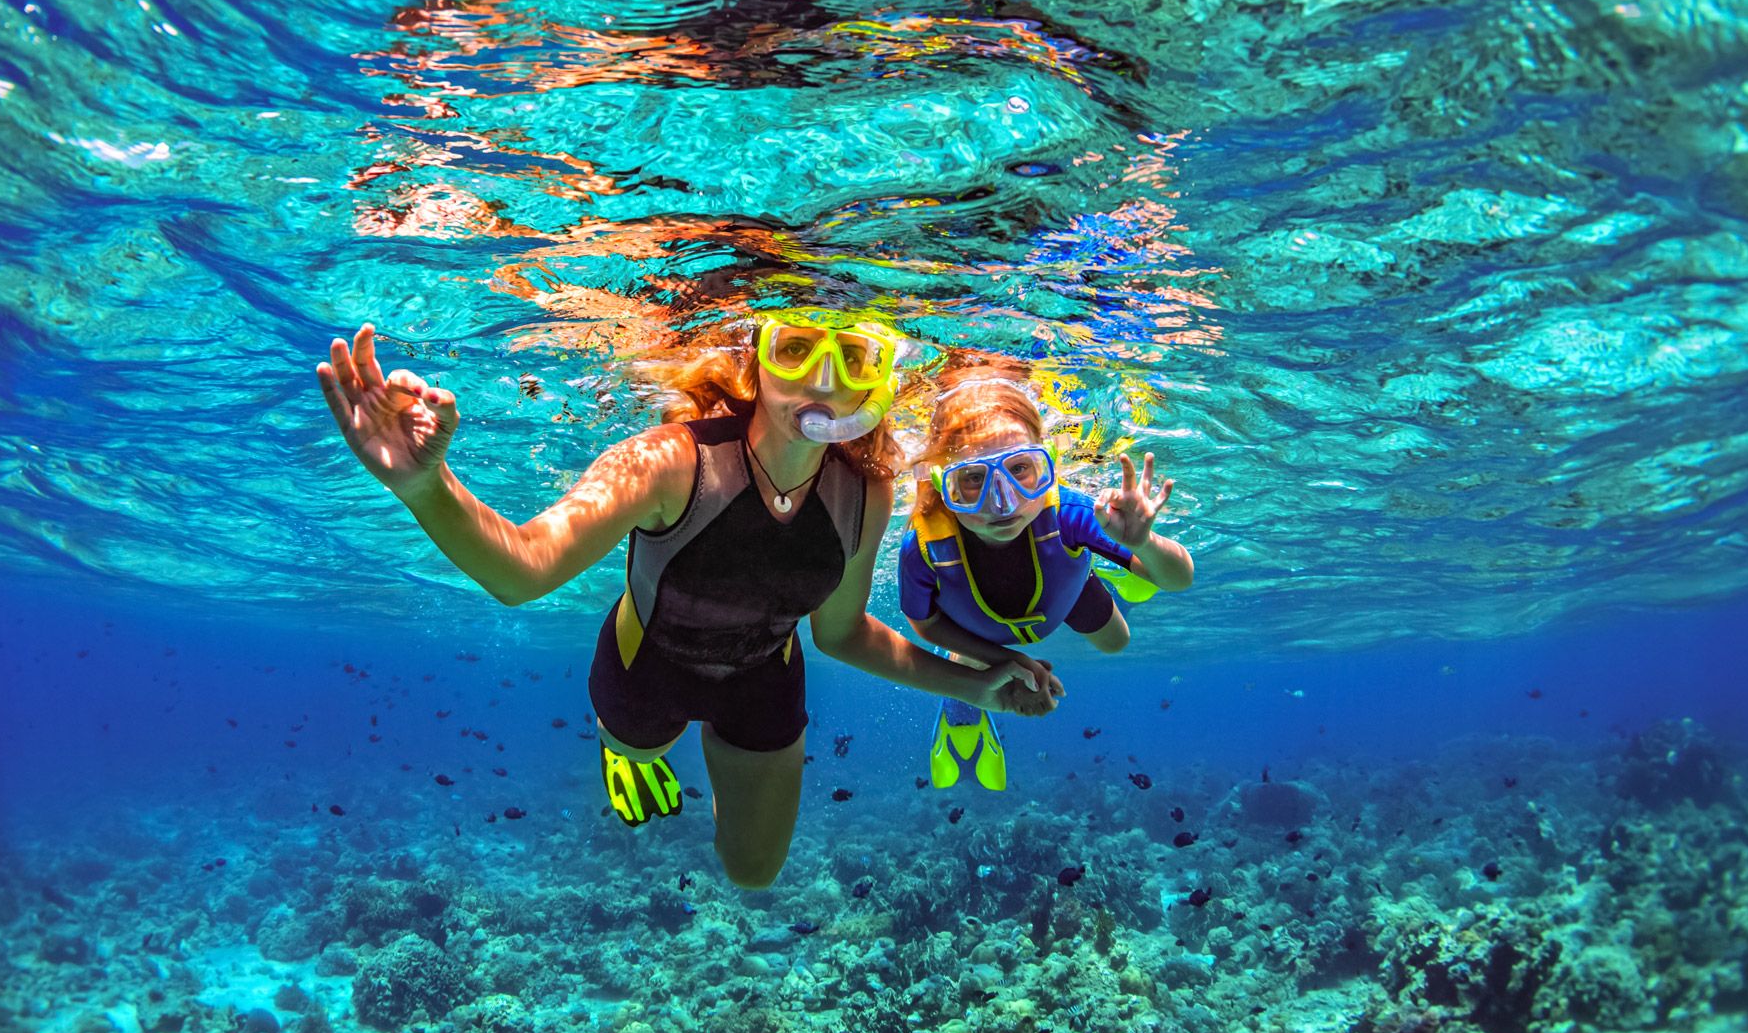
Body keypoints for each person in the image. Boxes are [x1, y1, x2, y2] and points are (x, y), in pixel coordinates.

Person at [316, 315, 1052, 888]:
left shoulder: (869, 491)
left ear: (876, 383)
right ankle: (625, 750)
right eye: (796, 351)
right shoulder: (672, 460)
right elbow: (524, 570)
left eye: (854, 359)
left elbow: (841, 634)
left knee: (753, 872)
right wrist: (424, 486)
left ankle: (679, 764)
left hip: (766, 675)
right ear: (757, 361)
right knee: (640, 749)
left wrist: (976, 684)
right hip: (647, 666)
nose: (823, 381)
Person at [899, 370, 1195, 792]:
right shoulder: (923, 548)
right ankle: (961, 710)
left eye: (1020, 470)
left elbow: (1180, 579)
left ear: (1045, 465)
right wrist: (1004, 661)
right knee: (963, 660)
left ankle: (1118, 561)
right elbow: (924, 625)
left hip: (1065, 590)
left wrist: (1145, 545)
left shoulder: (1069, 513)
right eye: (972, 479)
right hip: (971, 627)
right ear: (938, 482)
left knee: (1118, 642)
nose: (1002, 503)